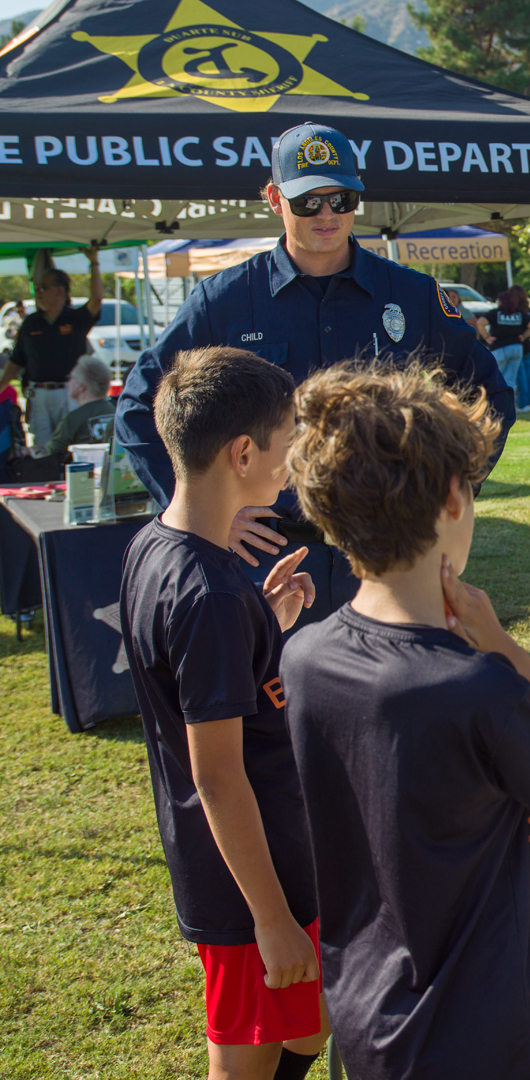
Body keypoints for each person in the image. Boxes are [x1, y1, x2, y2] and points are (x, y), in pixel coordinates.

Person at [280, 363, 530, 1079]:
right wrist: (508, 651)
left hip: (369, 1019)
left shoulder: (305, 655)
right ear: (450, 499)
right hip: (491, 1040)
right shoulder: (475, 686)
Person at [115, 121, 514, 630]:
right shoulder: (226, 301)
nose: (327, 214)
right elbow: (136, 410)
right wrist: (201, 511)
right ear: (274, 198)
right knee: (267, 705)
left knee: (388, 704)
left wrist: (447, 495)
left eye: (341, 198)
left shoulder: (412, 297)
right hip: (268, 560)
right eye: (308, 201)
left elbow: (490, 396)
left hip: (384, 554)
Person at [119, 347, 329, 1080]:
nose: (293, 460)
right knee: (249, 1060)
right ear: (243, 453)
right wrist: (269, 921)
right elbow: (218, 777)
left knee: (304, 1033)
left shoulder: (159, 546)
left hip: (270, 859)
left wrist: (266, 623)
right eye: (287, 443)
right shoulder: (207, 596)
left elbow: (195, 675)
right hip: (248, 883)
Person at [0, 249, 103, 450]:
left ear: (60, 291)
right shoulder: (31, 323)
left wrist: (94, 263)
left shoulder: (75, 319)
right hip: (39, 394)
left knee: (71, 445)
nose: (37, 292)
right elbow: (17, 360)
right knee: (42, 447)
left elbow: (97, 298)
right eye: (37, 288)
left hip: (69, 391)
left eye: (42, 288)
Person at [43, 354, 115, 457]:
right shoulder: (114, 410)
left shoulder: (73, 419)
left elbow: (53, 452)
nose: (69, 382)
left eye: (71, 378)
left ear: (82, 386)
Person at [476, 288, 530, 404]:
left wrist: (487, 337)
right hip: (517, 348)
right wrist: (524, 336)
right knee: (510, 379)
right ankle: (509, 406)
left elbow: (480, 322)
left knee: (494, 377)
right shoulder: (519, 314)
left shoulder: (495, 313)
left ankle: (493, 404)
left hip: (499, 348)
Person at [513, 285, 530, 413]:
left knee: (522, 376)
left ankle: (522, 403)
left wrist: (523, 336)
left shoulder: (517, 311)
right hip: (528, 346)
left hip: (521, 346)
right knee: (528, 375)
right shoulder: (528, 309)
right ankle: (527, 401)